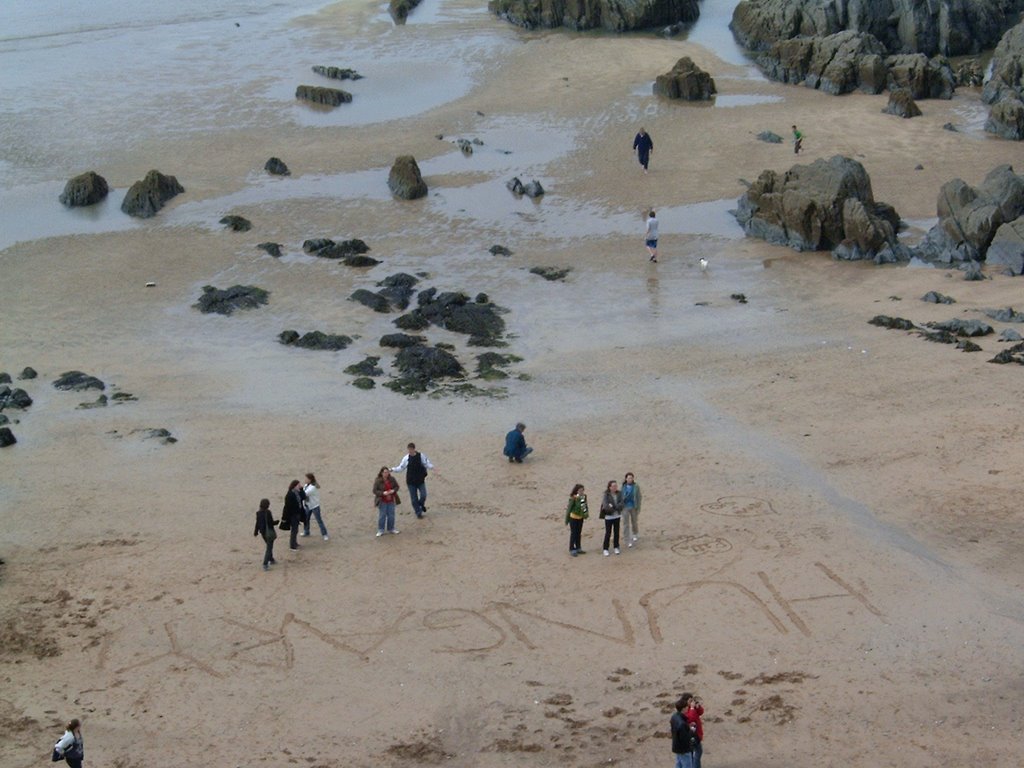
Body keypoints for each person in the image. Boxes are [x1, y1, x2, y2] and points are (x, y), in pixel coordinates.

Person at [391, 443, 434, 519]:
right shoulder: (406, 458)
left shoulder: (421, 456)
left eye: (411, 449)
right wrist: (392, 469)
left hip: (420, 480)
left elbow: (426, 463)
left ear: (414, 449)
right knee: (414, 499)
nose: (410, 451)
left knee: (423, 495)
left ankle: (420, 505)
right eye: (409, 450)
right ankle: (418, 512)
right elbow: (401, 468)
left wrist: (432, 467)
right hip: (411, 482)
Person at [670, 697, 700, 768]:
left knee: (678, 764)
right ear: (683, 709)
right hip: (684, 749)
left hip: (676, 746)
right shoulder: (682, 723)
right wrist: (692, 730)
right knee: (687, 766)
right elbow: (686, 738)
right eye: (687, 707)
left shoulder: (674, 716)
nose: (688, 708)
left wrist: (688, 726)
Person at [373, 466, 401, 536]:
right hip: (382, 500)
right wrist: (383, 493)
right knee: (382, 515)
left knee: (391, 515)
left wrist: (393, 491)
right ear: (381, 473)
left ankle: (391, 528)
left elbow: (397, 487)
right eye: (385, 472)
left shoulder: (392, 479)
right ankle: (381, 529)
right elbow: (374, 490)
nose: (386, 474)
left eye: (387, 472)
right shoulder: (378, 480)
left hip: (391, 500)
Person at [564, 483, 589, 556]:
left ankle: (578, 547)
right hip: (573, 518)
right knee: (573, 533)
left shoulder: (583, 497)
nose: (581, 492)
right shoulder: (573, 498)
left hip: (580, 518)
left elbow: (584, 506)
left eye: (582, 490)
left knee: (579, 533)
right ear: (576, 491)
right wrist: (567, 519)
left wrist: (586, 514)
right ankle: (572, 548)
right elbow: (569, 509)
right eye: (580, 490)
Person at [600, 479, 623, 556]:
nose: (615, 487)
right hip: (609, 516)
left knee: (616, 532)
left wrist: (614, 506)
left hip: (617, 515)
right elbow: (605, 505)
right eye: (613, 486)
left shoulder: (619, 493)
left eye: (616, 486)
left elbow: (622, 503)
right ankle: (605, 548)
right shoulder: (606, 495)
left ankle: (616, 547)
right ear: (609, 487)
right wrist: (613, 508)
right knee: (608, 533)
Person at [302, 472, 328, 540]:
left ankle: (324, 534)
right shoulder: (306, 485)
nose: (305, 480)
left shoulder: (313, 487)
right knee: (306, 520)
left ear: (310, 479)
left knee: (319, 520)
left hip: (314, 506)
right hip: (308, 505)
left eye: (306, 478)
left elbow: (305, 494)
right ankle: (306, 531)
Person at [254, 498, 277, 571]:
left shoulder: (258, 513)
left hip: (263, 533)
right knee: (269, 548)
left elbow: (257, 523)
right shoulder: (268, 513)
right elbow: (271, 523)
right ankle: (265, 563)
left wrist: (256, 531)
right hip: (269, 532)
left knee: (269, 546)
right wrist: (277, 522)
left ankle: (271, 559)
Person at [683, 694, 706, 768]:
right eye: (690, 701)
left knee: (694, 753)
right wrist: (692, 708)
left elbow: (701, 712)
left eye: (692, 700)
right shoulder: (685, 709)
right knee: (697, 752)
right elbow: (690, 719)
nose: (692, 702)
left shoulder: (692, 708)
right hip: (691, 735)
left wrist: (698, 707)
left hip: (697, 733)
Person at [282, 479, 305, 550]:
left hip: (298, 514)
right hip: (293, 515)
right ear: (294, 486)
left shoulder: (298, 492)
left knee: (296, 530)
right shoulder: (290, 494)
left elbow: (304, 497)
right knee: (294, 530)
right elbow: (287, 507)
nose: (300, 486)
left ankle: (295, 543)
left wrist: (301, 489)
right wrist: (285, 517)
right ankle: (292, 546)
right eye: (298, 485)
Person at [621, 471, 642, 547]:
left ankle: (635, 533)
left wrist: (638, 507)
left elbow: (639, 497)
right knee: (626, 523)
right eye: (628, 478)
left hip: (633, 506)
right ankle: (627, 538)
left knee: (634, 521)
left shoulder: (636, 486)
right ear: (626, 479)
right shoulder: (623, 487)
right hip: (625, 507)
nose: (630, 479)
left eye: (631, 478)